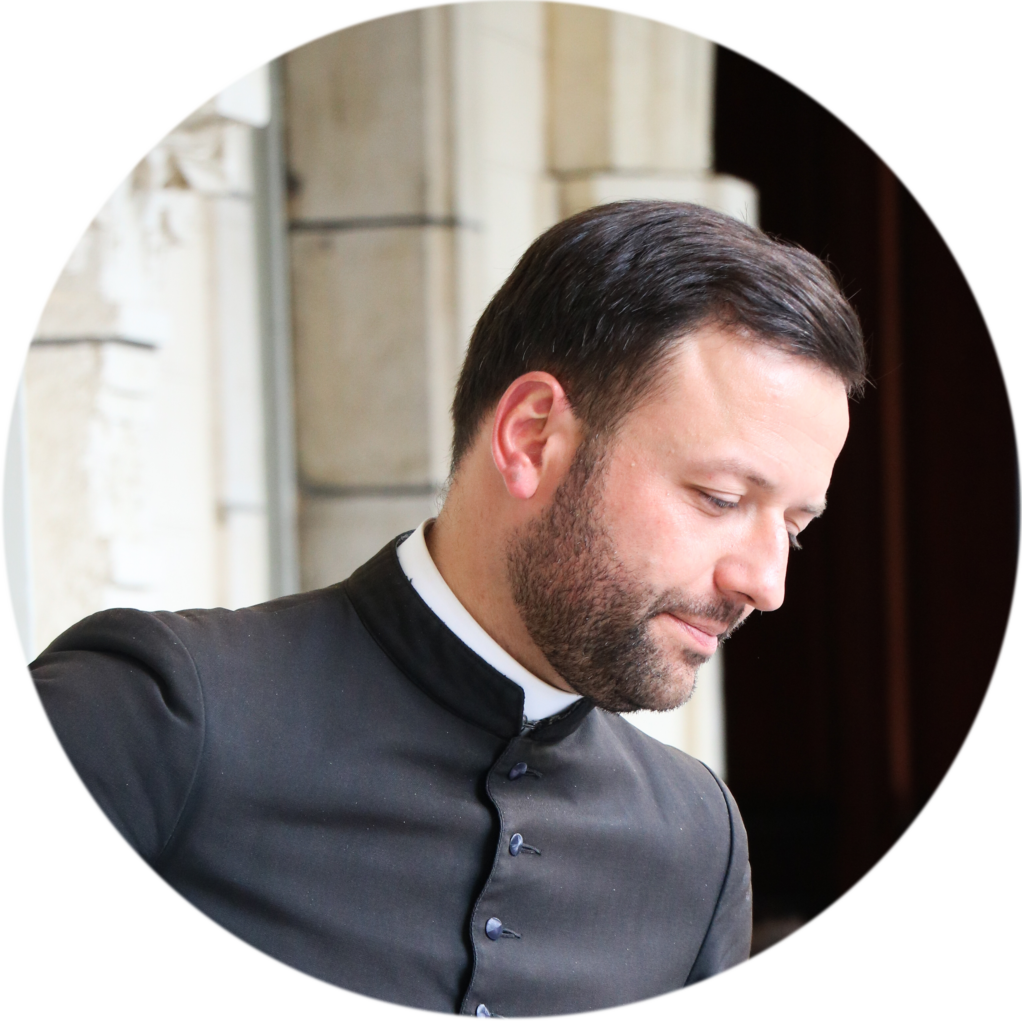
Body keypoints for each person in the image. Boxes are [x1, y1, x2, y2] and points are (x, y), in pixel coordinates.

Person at [28, 201, 864, 1019]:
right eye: (721, 498)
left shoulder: (700, 842)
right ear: (532, 438)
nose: (767, 584)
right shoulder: (149, 714)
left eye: (794, 528)